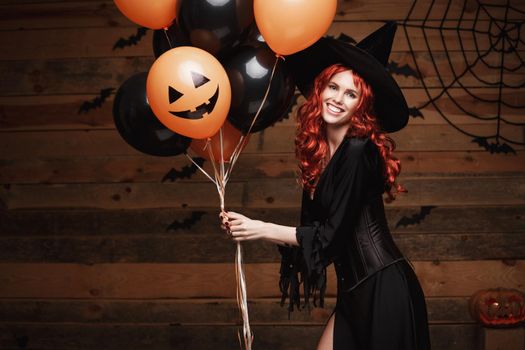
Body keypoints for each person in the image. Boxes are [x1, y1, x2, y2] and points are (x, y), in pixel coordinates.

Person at [220, 22, 431, 350]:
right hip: (353, 294)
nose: (338, 99)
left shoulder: (360, 151)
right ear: (320, 88)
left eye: (351, 94)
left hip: (384, 290)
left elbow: (328, 239)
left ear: (362, 105)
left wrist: (258, 228)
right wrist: (241, 225)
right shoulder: (319, 152)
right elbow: (313, 229)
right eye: (334, 87)